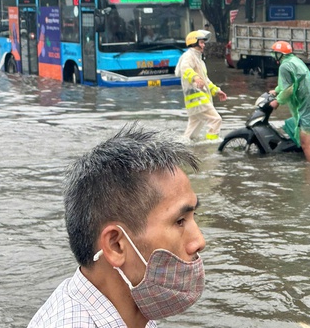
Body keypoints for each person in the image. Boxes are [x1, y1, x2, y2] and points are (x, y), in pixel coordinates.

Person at [28, 123, 206, 327]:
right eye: (179, 221)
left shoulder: (134, 313)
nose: (199, 241)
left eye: (194, 215)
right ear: (115, 245)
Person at [175, 30, 227, 142]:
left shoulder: (198, 59)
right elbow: (185, 69)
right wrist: (195, 78)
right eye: (202, 42)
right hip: (198, 98)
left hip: (195, 100)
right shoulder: (189, 56)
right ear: (194, 42)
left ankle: (181, 145)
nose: (204, 45)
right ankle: (212, 145)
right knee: (216, 119)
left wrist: (216, 91)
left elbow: (206, 81)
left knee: (192, 133)